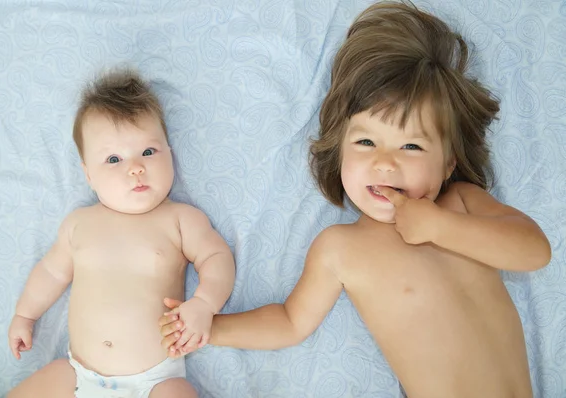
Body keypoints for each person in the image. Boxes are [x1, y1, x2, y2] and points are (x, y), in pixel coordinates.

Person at [158, 2, 551, 397]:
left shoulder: (463, 203)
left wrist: (440, 226)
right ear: (339, 151)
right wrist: (209, 326)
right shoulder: (342, 248)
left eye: (411, 145)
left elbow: (534, 251)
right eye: (365, 142)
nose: (385, 163)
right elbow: (290, 322)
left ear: (448, 163)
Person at [7, 68, 236, 398]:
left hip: (155, 380)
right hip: (79, 377)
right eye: (113, 159)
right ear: (88, 174)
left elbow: (217, 257)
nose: (135, 167)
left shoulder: (181, 219)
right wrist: (24, 315)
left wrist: (204, 304)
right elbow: (50, 271)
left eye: (148, 152)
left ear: (169, 153)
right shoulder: (79, 224)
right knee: (51, 376)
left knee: (178, 392)